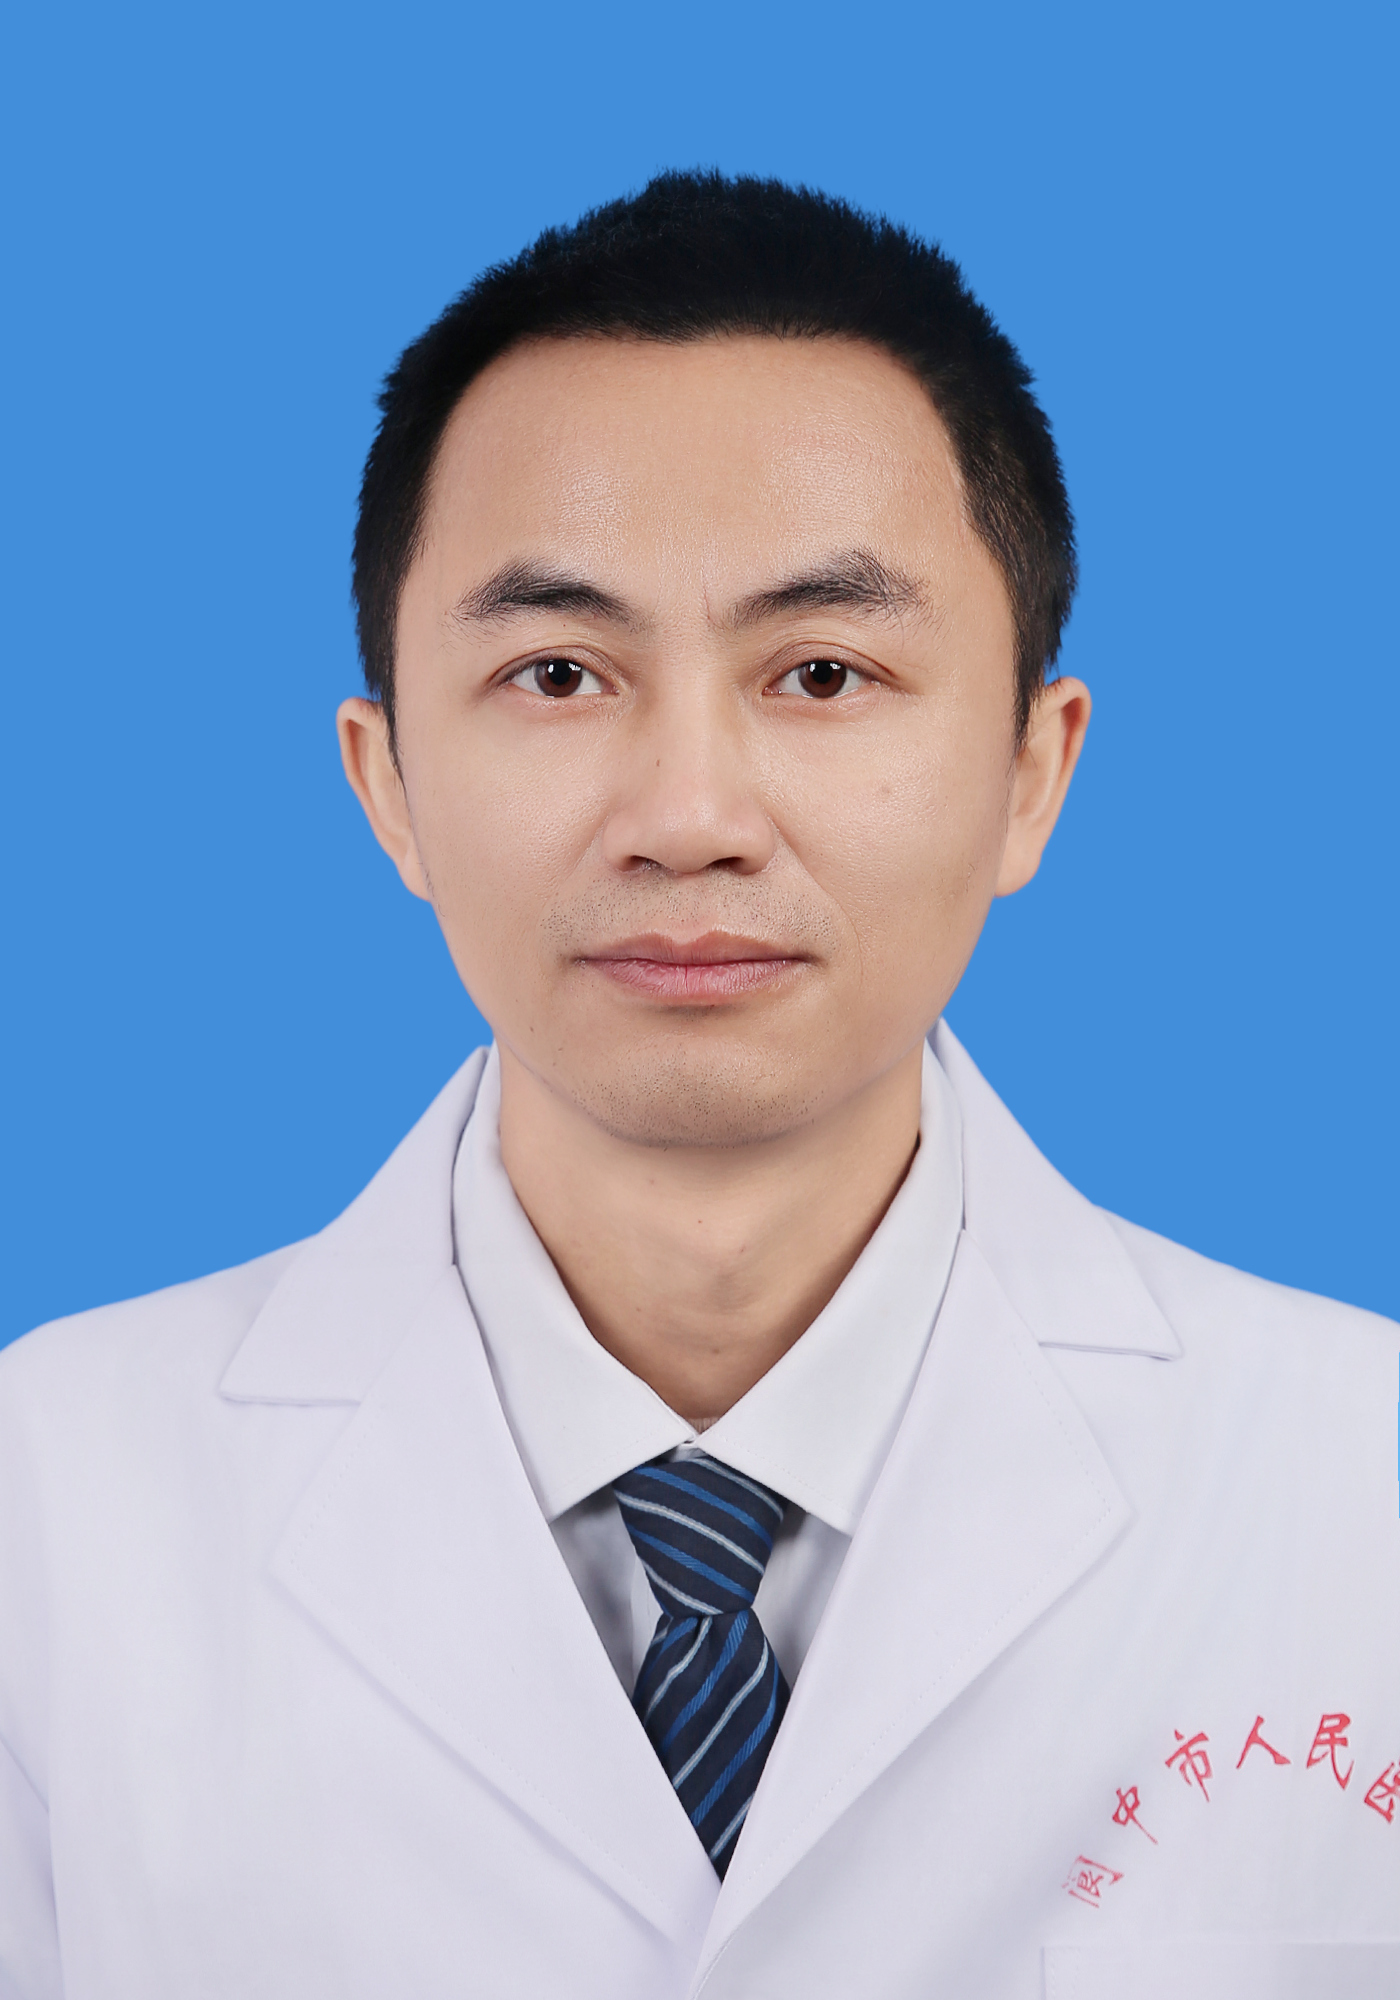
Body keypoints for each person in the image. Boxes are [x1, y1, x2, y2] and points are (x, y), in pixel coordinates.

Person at [1, 172, 1396, 2000]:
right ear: (387, 782)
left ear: (1031, 774)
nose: (688, 817)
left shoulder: (1359, 1492)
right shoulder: (50, 1508)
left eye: (821, 671)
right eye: (557, 671)